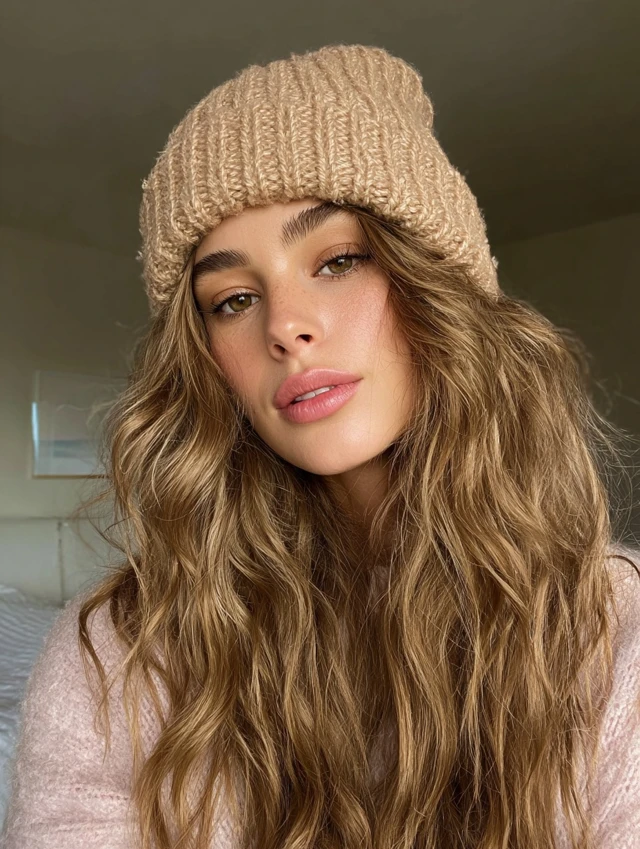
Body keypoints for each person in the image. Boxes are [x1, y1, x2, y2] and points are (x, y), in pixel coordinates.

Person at [2, 43, 639, 849]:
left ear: (438, 286)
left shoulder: (612, 629)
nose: (284, 326)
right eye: (233, 299)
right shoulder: (120, 654)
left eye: (338, 260)